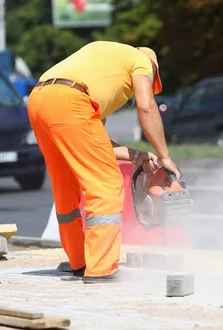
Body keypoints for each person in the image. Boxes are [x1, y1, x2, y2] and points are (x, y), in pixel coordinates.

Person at [27, 41, 180, 284]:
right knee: (106, 184)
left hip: (39, 99)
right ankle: (101, 268)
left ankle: (79, 262)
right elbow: (146, 106)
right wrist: (164, 157)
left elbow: (96, 141)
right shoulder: (140, 61)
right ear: (152, 70)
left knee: (65, 185)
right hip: (71, 101)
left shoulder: (104, 63)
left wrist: (135, 155)